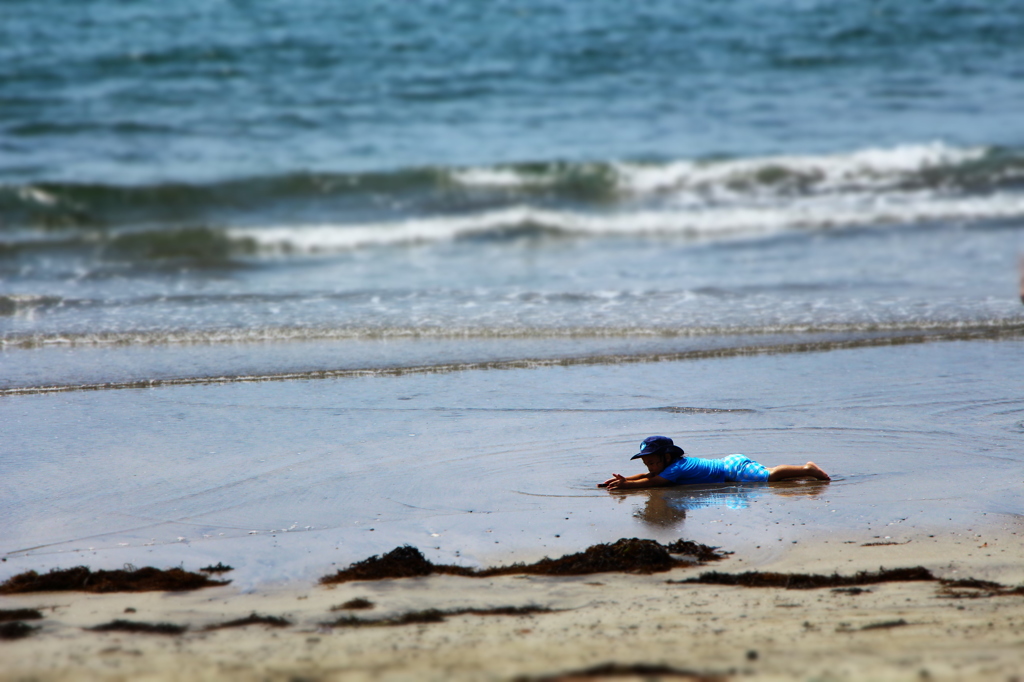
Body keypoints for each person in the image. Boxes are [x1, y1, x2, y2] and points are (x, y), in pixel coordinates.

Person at [599, 436, 830, 490]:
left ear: (667, 457)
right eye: (645, 463)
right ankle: (804, 473)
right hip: (730, 464)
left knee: (769, 476)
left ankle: (807, 469)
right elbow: (650, 476)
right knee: (766, 472)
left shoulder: (676, 468)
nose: (648, 467)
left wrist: (629, 486)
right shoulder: (671, 466)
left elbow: (655, 482)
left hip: (731, 470)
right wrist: (623, 479)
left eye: (651, 461)